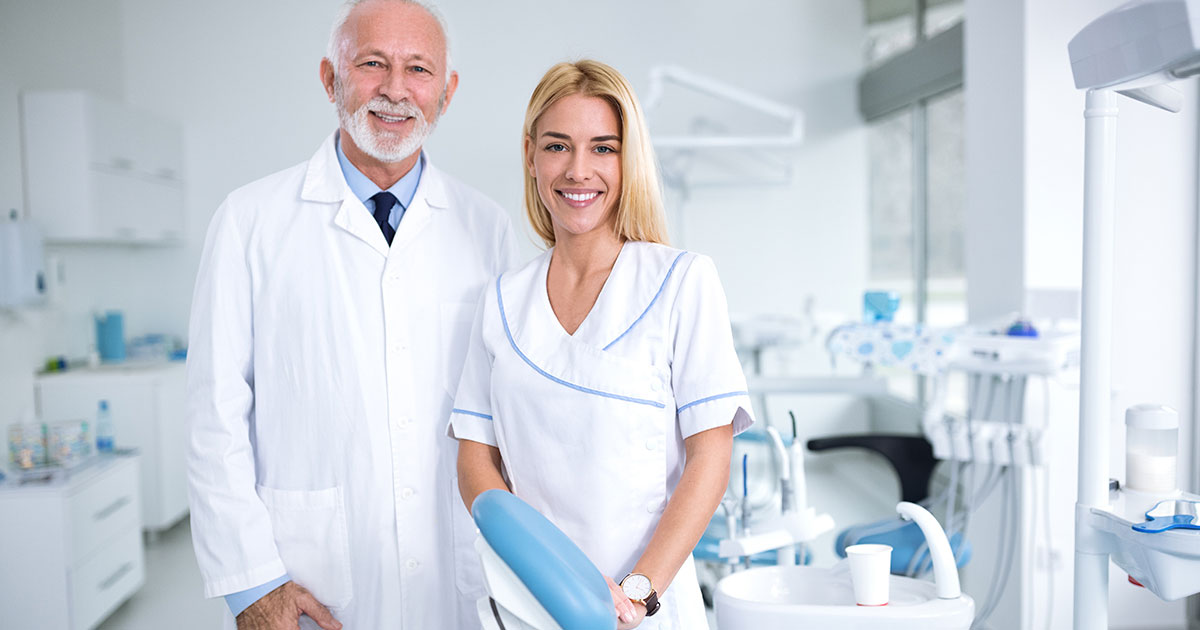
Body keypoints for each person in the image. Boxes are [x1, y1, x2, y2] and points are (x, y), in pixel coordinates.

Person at [186, 1, 515, 628]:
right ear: (330, 79)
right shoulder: (249, 222)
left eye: (418, 69)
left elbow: (507, 413)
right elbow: (214, 417)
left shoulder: (487, 229)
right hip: (312, 585)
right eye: (371, 64)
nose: (395, 90)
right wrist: (251, 586)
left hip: (460, 580)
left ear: (446, 92)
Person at [450, 60, 753, 630]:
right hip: (526, 605)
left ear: (628, 158)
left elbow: (710, 459)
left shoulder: (681, 281)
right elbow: (475, 461)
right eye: (558, 146)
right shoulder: (499, 302)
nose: (578, 170)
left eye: (604, 148)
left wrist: (634, 594)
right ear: (531, 156)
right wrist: (544, 578)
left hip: (644, 608)